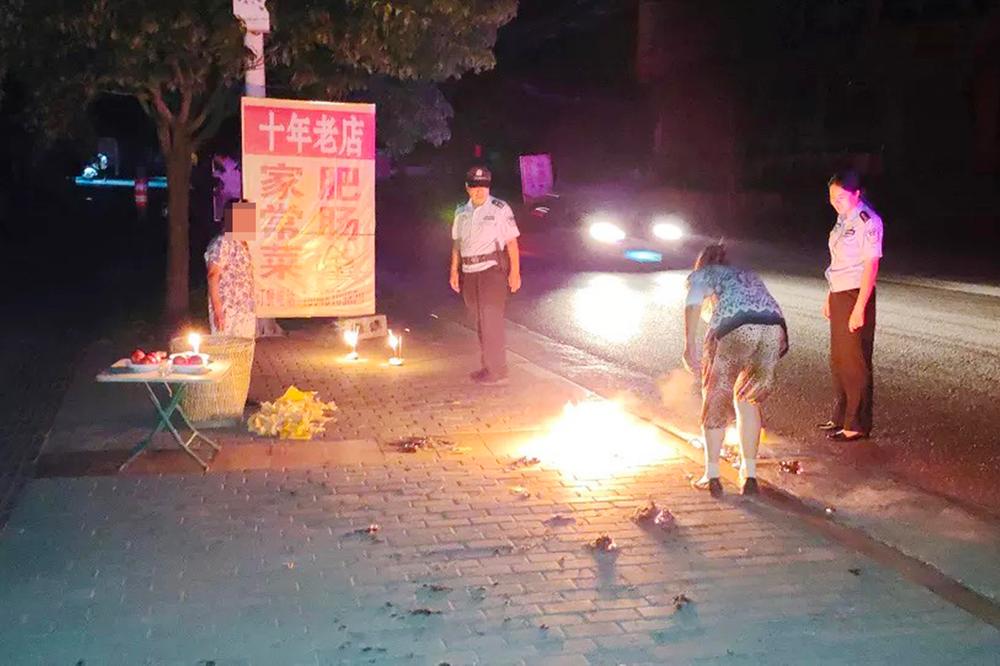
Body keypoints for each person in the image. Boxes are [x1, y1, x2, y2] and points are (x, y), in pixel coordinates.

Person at [683, 243, 788, 497]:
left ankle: (712, 475)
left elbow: (692, 305)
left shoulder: (704, 274)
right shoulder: (746, 274)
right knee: (747, 400)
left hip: (734, 328)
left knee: (716, 398)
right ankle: (749, 476)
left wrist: (689, 346)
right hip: (774, 328)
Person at [819, 171, 882, 442]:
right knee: (839, 360)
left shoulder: (869, 221)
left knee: (855, 360)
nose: (836, 202)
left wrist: (859, 307)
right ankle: (841, 416)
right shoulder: (842, 220)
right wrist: (829, 296)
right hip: (839, 293)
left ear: (857, 194)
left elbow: (871, 266)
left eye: (842, 197)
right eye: (833, 197)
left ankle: (856, 424)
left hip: (857, 293)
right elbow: (837, 263)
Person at [449, 165, 522, 384]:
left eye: (483, 186)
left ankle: (497, 369)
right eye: (474, 186)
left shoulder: (500, 209)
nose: (479, 190)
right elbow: (457, 244)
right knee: (480, 322)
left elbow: (511, 242)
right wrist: (454, 270)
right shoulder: (461, 211)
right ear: (467, 187)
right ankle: (489, 366)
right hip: (470, 273)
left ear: (488, 187)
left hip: (491, 272)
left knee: (491, 321)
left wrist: (515, 273)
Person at [205, 200, 256, 339]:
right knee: (225, 352)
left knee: (242, 354)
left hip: (244, 310)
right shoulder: (223, 242)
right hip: (228, 311)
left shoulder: (242, 244)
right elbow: (213, 275)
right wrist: (218, 310)